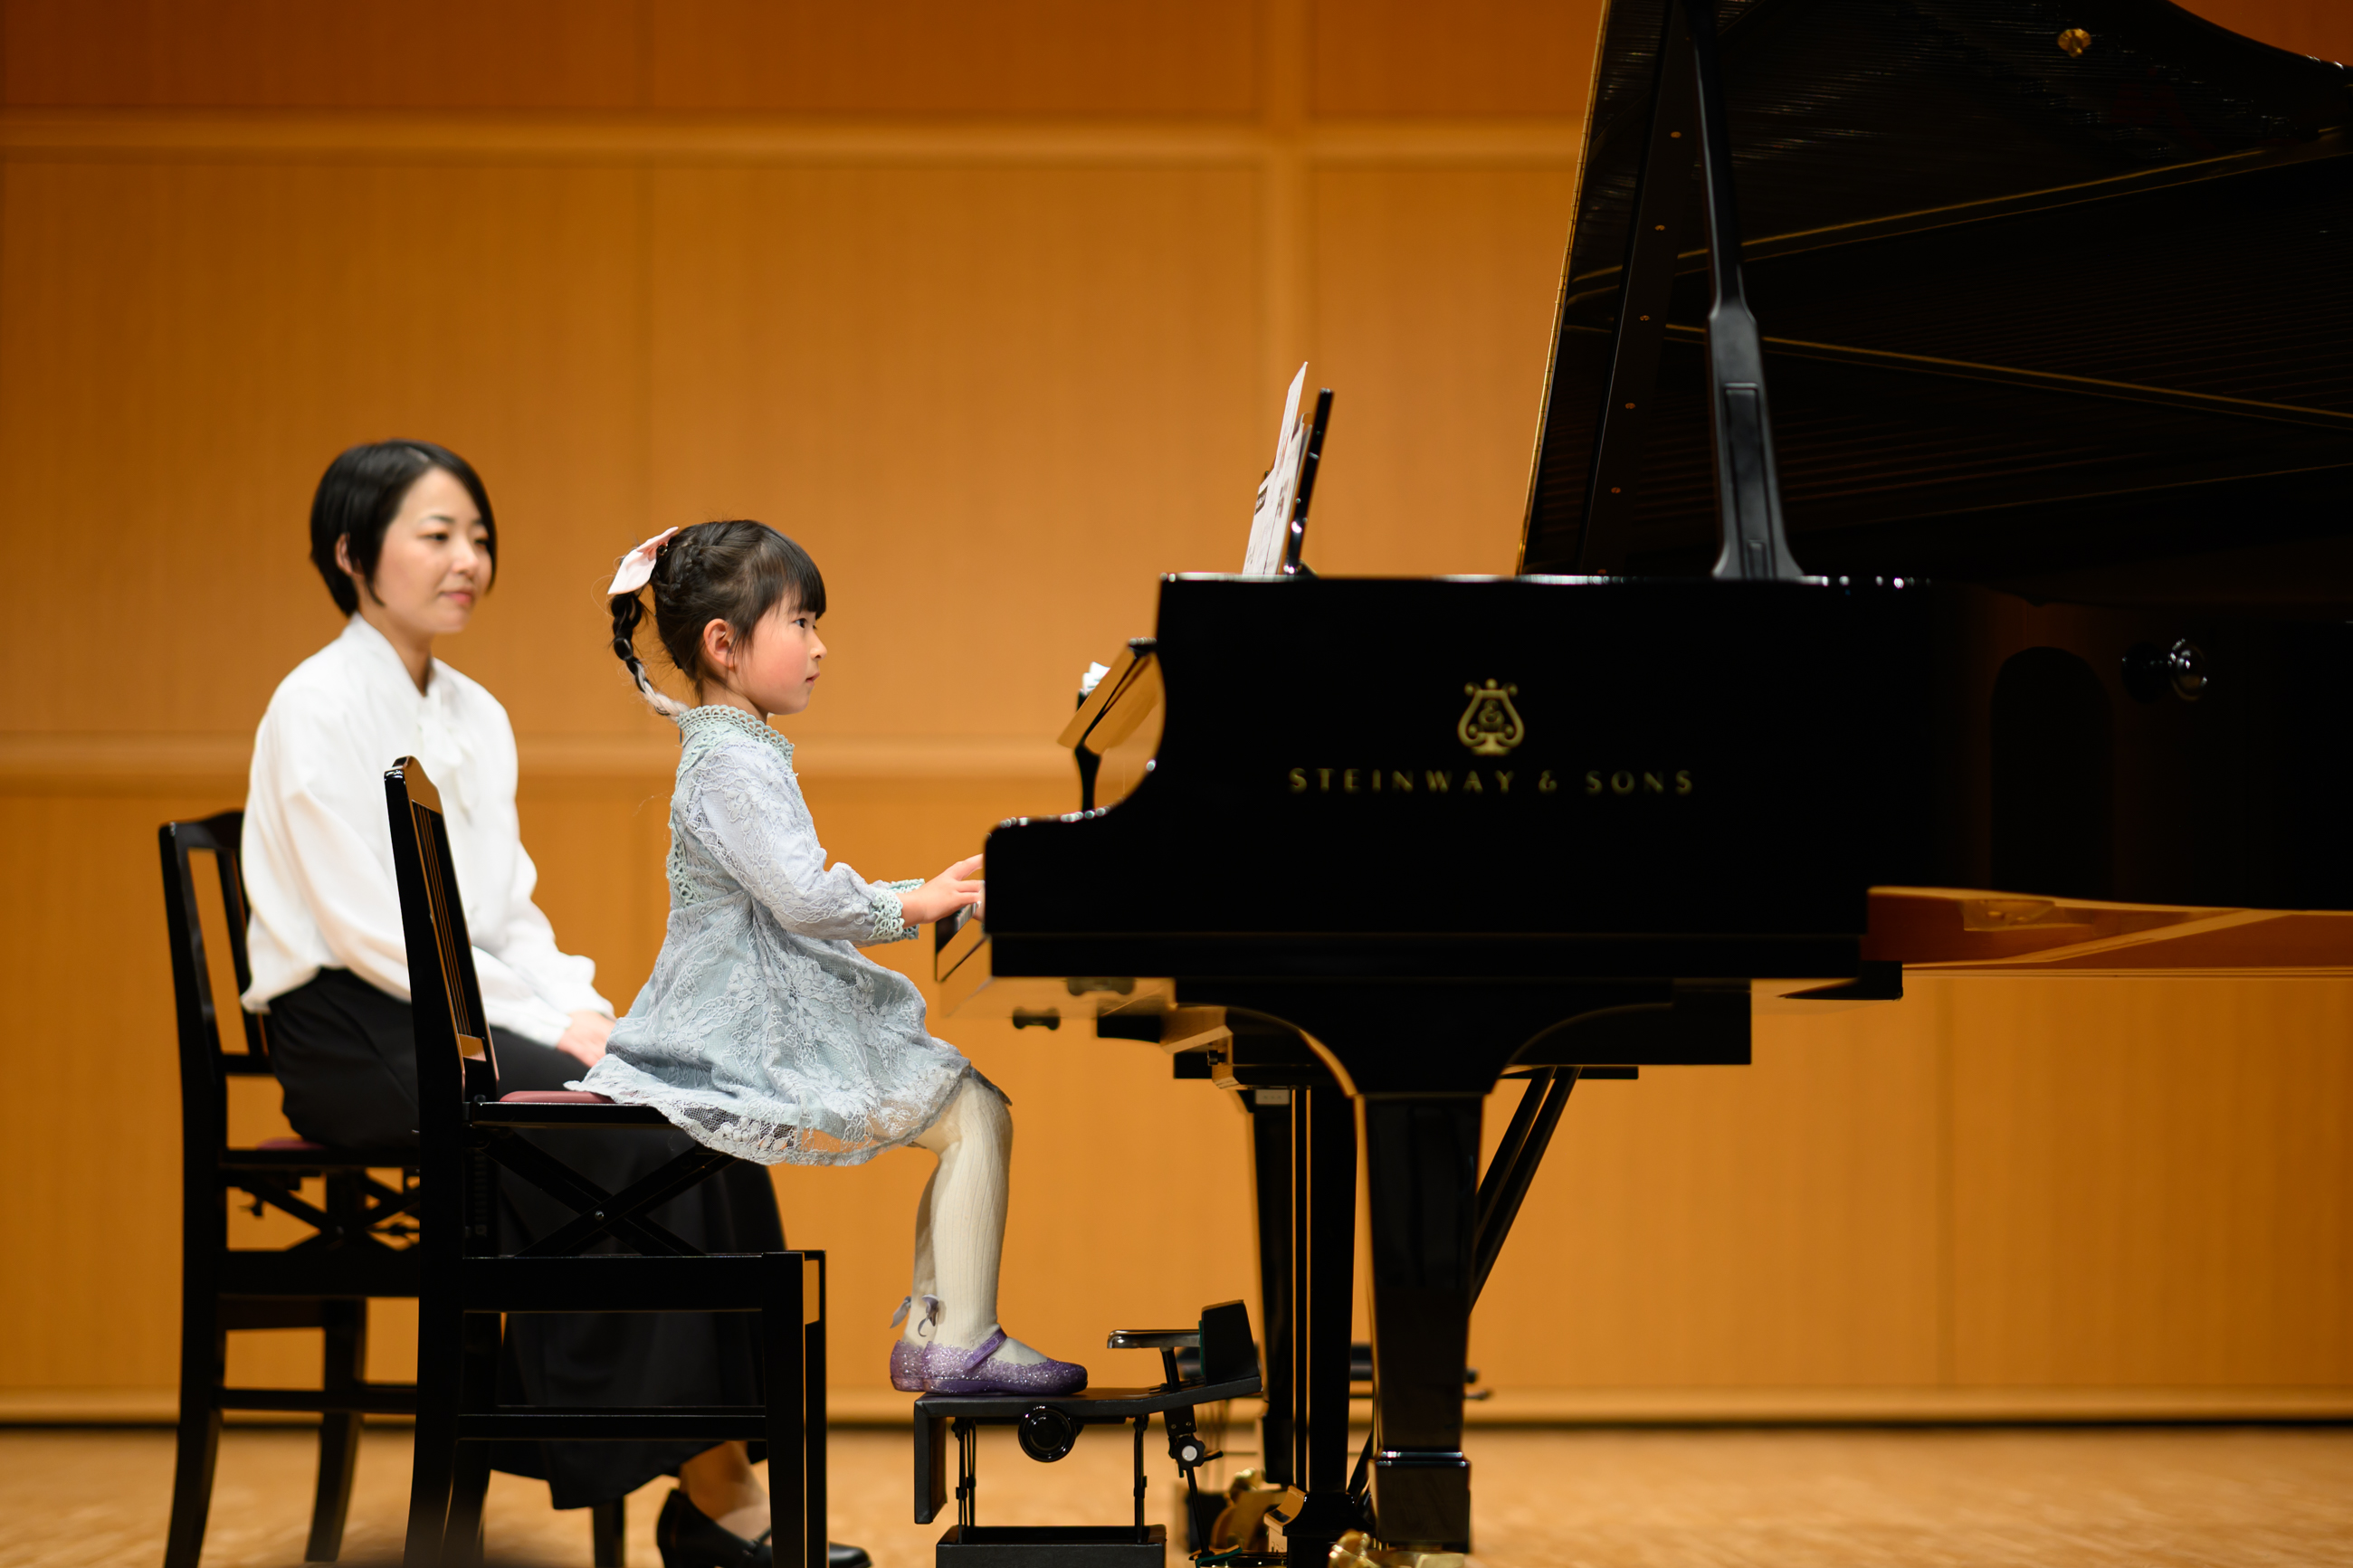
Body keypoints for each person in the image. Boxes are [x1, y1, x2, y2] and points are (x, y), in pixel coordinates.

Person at [241, 442, 863, 1568]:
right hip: (356, 1026)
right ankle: (715, 1497)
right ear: (351, 553)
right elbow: (367, 927)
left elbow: (504, 912)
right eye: (434, 535)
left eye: (476, 535)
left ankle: (718, 1477)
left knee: (694, 1101)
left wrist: (591, 1017)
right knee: (618, 1130)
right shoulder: (314, 703)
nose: (466, 558)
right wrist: (548, 1042)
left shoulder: (474, 710)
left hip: (449, 1007)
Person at [584, 520, 1086, 1418]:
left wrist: (914, 888)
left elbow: (796, 887)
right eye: (800, 622)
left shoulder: (734, 747)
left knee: (969, 1108)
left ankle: (944, 1330)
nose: (820, 646)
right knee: (973, 1112)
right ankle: (956, 1335)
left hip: (750, 1007)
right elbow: (806, 900)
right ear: (724, 645)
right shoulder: (731, 759)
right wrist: (914, 903)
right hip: (737, 1029)